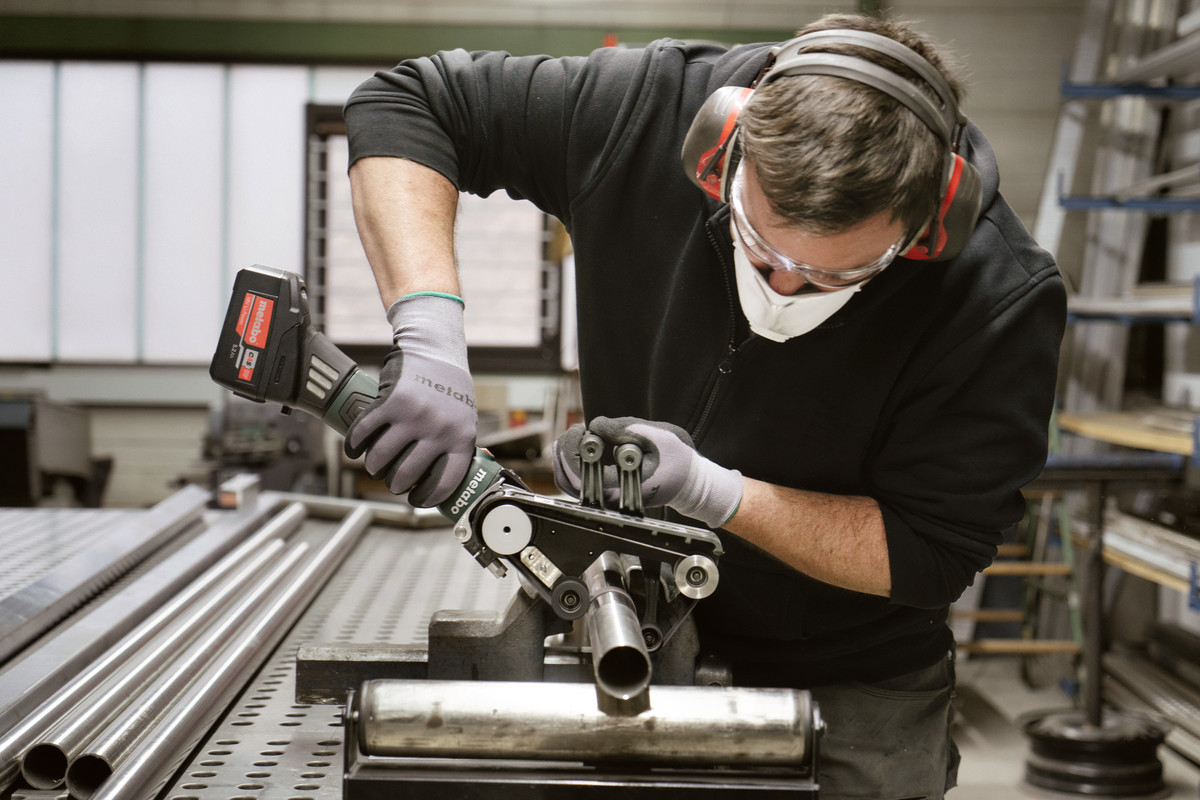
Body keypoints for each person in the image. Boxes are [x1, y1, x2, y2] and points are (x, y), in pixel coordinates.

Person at [340, 12, 1066, 798]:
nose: (784, 287)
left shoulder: (995, 299)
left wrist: (713, 492)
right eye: (760, 241)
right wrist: (431, 332)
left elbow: (932, 550)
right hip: (633, 644)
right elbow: (411, 101)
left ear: (929, 228)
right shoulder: (645, 112)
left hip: (851, 688)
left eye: (834, 276)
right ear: (723, 146)